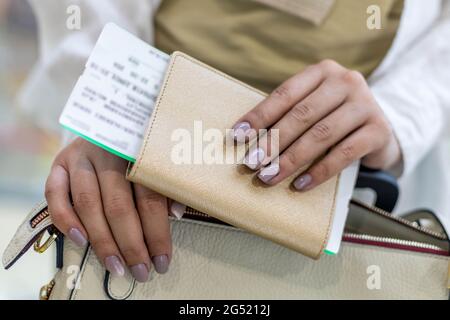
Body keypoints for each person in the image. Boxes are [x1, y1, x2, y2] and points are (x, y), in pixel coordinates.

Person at [19, 0, 450, 283]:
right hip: (144, 184)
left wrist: (392, 119)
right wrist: (108, 114)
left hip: (341, 199)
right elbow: (83, 23)